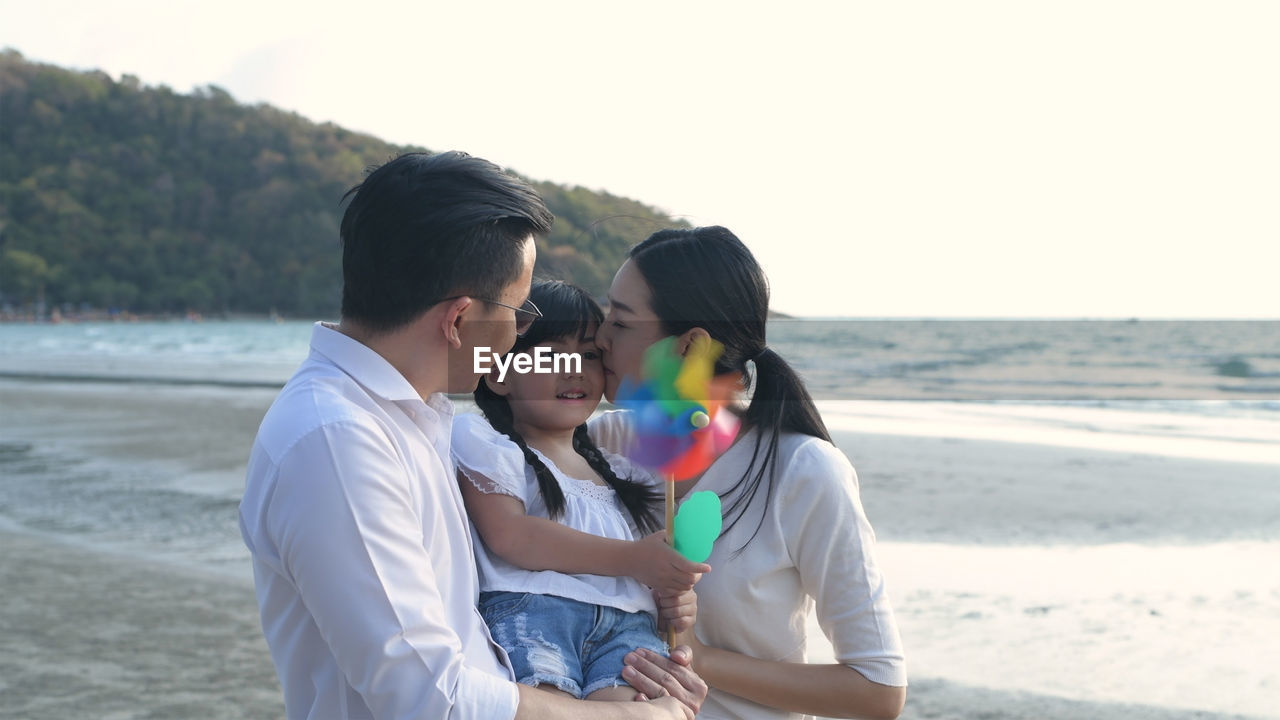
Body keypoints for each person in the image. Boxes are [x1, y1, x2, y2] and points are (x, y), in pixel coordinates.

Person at [238, 152, 707, 720]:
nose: (519, 331)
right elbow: (427, 695)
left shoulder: (415, 419)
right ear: (460, 321)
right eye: (519, 308)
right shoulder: (339, 441)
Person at [590, 226, 907, 720]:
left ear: (691, 347)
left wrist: (699, 656)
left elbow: (877, 690)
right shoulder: (597, 445)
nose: (598, 337)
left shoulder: (804, 471)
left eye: (622, 323)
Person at [454, 279, 711, 702]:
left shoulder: (623, 474)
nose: (574, 370)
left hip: (630, 628)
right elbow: (511, 536)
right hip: (536, 613)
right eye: (552, 355)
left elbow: (647, 579)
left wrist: (675, 599)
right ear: (500, 376)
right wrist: (633, 559)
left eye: (589, 355)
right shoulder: (484, 440)